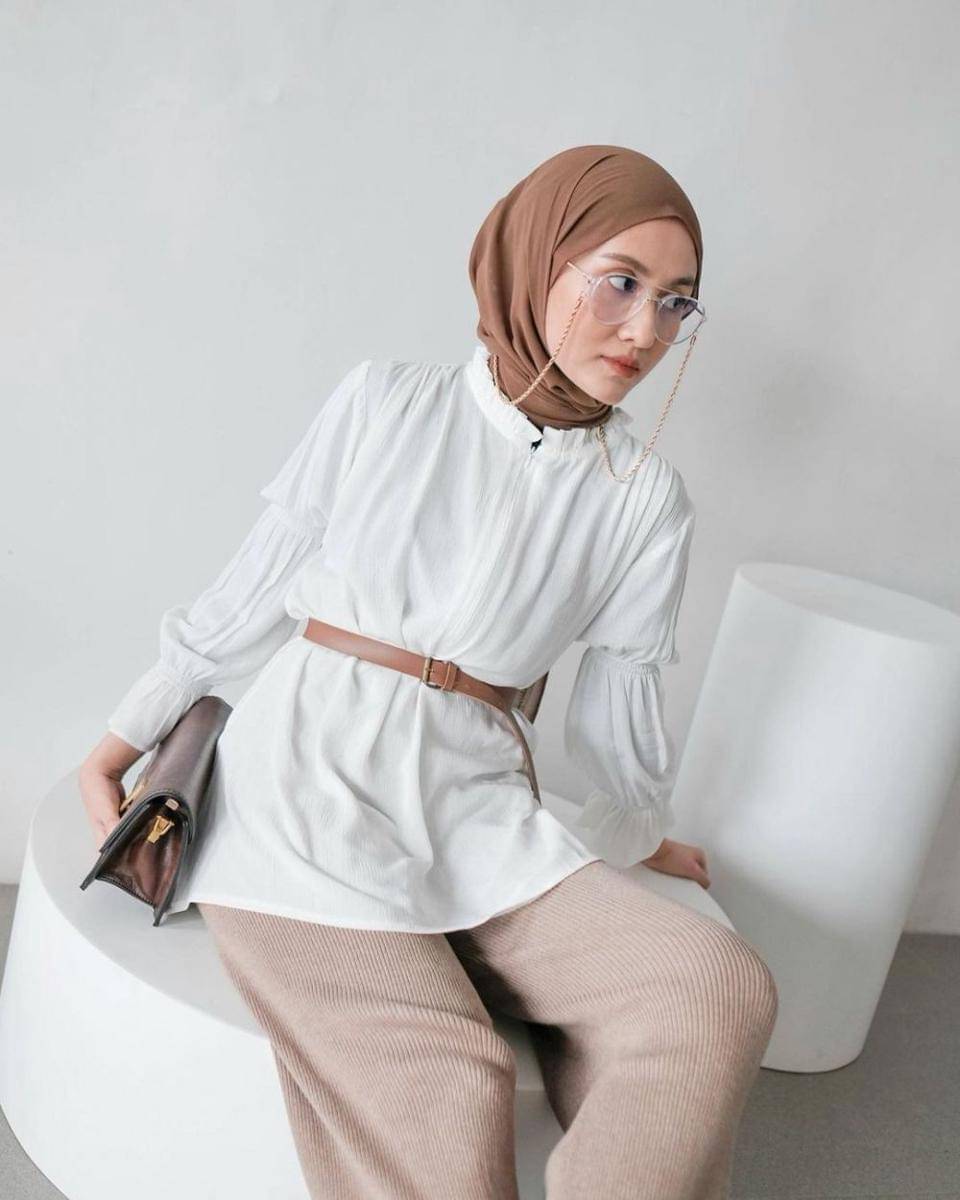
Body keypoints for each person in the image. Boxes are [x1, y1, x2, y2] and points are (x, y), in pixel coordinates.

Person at [79, 144, 777, 1200]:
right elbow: (254, 588)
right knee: (452, 1079)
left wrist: (634, 833)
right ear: (535, 264)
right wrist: (125, 738)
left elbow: (616, 706)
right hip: (306, 796)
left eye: (676, 302)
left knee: (712, 984)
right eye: (620, 282)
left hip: (479, 813)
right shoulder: (387, 405)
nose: (646, 330)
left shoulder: (642, 496)